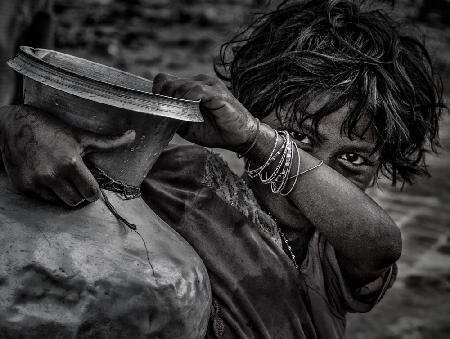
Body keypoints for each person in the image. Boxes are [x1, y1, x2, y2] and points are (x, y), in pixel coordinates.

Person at [0, 0, 444, 338]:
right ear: (250, 108)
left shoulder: (329, 257)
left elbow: (381, 244)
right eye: (299, 137)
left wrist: (259, 140)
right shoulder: (177, 181)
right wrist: (18, 123)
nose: (318, 166)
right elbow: (67, 185)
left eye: (354, 159)